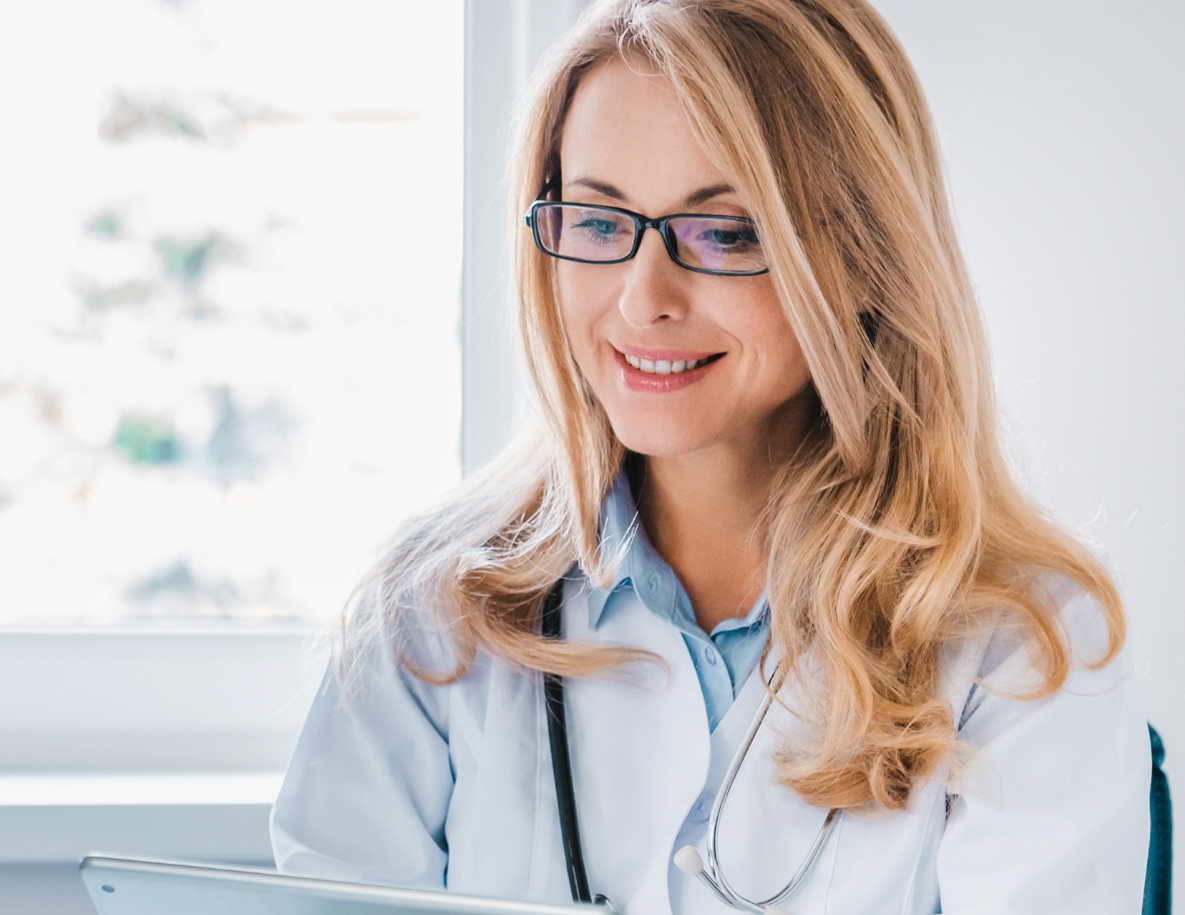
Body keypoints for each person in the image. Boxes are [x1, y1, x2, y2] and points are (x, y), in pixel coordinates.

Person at [270, 1, 1151, 912]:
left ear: (866, 257)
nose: (641, 299)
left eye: (726, 233)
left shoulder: (1022, 639)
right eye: (598, 222)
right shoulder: (427, 611)